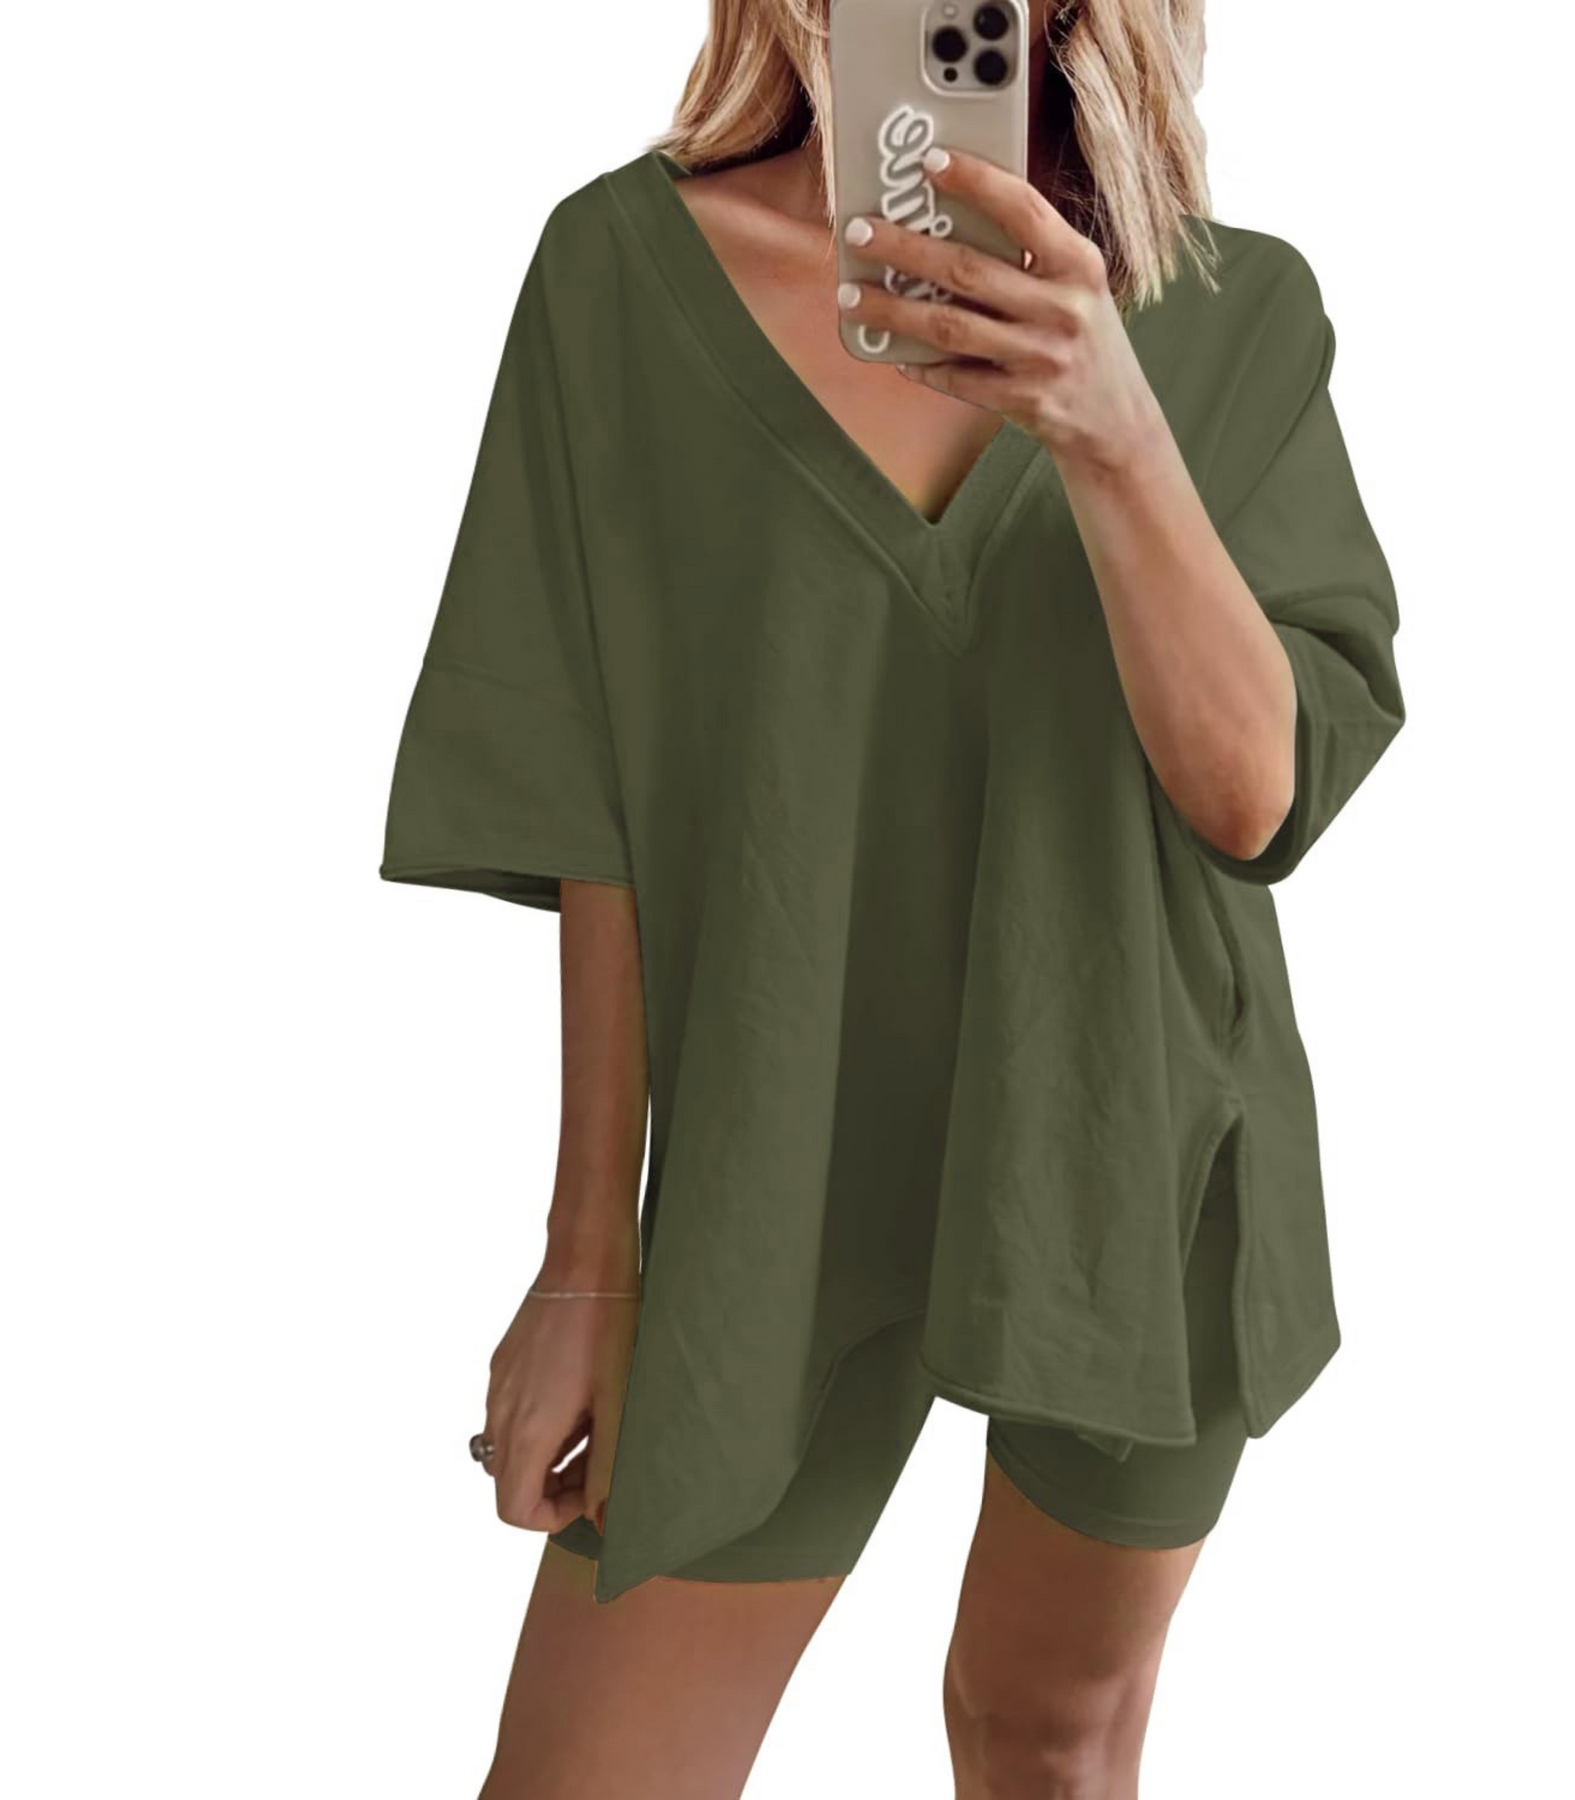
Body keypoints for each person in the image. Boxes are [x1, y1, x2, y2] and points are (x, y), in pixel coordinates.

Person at [379, 1, 1404, 1792]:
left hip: (1126, 1151)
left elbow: (1254, 795)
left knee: (1044, 1737)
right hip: (770, 1169)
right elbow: (589, 793)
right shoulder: (619, 275)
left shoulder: (1231, 308)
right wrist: (587, 1263)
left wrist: (1112, 428)